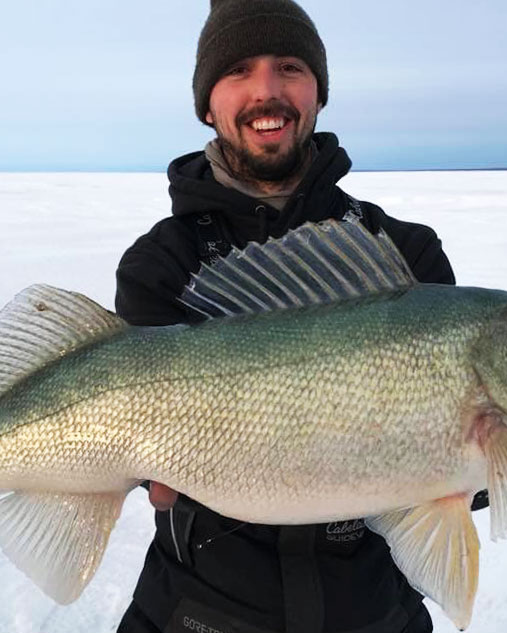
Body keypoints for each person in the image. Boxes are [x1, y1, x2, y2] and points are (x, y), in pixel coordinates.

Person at [114, 2, 486, 632]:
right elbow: (139, 447)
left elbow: (452, 484)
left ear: (318, 91)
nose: (267, 91)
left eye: (290, 67)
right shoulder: (162, 264)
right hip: (196, 612)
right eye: (237, 70)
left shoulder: (404, 253)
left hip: (375, 614)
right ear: (207, 103)